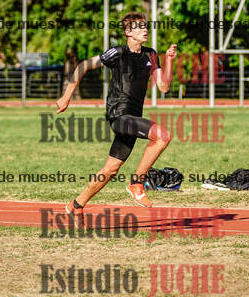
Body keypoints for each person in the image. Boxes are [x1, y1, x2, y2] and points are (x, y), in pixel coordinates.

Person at [55, 12, 177, 226]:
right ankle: (137, 184)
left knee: (110, 170)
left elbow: (164, 86)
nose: (145, 30)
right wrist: (66, 97)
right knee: (162, 136)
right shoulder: (118, 53)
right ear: (128, 32)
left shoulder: (151, 55)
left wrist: (168, 61)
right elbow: (83, 66)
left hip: (133, 118)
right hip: (119, 115)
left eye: (145, 26)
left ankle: (76, 205)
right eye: (139, 27)